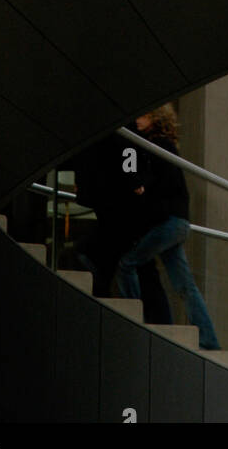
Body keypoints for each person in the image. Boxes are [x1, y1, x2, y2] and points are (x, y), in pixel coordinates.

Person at [114, 104, 221, 350]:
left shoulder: (158, 147)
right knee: (185, 286)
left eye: (143, 114)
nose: (138, 119)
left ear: (156, 118)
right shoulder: (164, 146)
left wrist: (143, 188)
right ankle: (209, 341)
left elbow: (160, 185)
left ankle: (133, 321)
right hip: (177, 222)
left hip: (169, 222)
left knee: (127, 264)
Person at [68, 135, 173, 323]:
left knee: (121, 258)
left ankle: (146, 314)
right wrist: (134, 182)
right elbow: (127, 155)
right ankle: (152, 316)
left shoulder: (104, 138)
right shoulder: (124, 137)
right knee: (133, 262)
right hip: (121, 202)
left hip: (114, 201)